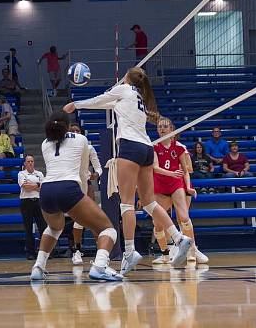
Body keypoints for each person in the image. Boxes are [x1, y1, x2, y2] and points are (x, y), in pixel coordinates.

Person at [63, 67, 192, 274]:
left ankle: (130, 252)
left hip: (130, 147)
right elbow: (106, 103)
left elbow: (100, 99)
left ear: (127, 78)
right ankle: (179, 237)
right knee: (149, 203)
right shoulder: (138, 96)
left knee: (126, 203)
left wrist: (75, 104)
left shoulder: (124, 90)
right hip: (147, 149)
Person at [28, 111, 123, 282]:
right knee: (108, 229)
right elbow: (82, 172)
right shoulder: (81, 140)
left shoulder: (44, 143)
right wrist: (81, 196)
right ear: (68, 125)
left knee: (55, 228)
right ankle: (100, 266)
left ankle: (38, 267)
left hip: (46, 190)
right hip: (69, 188)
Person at [151, 118, 208, 265]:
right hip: (160, 186)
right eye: (159, 127)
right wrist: (171, 173)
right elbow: (155, 168)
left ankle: (192, 250)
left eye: (165, 126)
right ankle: (165, 254)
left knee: (183, 217)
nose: (162, 129)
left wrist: (188, 187)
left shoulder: (180, 147)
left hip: (176, 184)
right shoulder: (154, 146)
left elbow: (186, 171)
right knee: (158, 223)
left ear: (171, 129)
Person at [68, 124, 102, 265]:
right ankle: (76, 251)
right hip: (71, 186)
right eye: (73, 131)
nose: (75, 133)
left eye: (77, 131)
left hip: (86, 185)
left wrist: (95, 174)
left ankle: (100, 253)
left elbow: (99, 168)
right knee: (78, 219)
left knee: (92, 218)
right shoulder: (66, 149)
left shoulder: (89, 148)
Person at [18, 155, 46, 260]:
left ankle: (45, 251)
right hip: (26, 202)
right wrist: (38, 185)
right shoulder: (21, 174)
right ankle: (30, 252)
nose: (30, 163)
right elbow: (25, 186)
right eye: (28, 161)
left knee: (43, 227)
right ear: (25, 163)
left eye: (32, 161)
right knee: (28, 228)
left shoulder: (39, 174)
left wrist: (34, 185)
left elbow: (43, 188)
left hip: (38, 201)